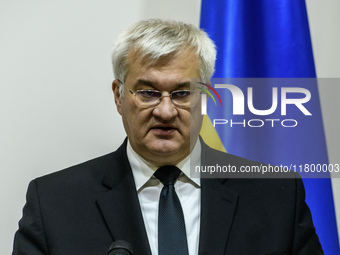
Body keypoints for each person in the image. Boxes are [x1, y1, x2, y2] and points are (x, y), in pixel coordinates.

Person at [12, 19, 324, 255]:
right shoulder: (54, 204)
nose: (165, 111)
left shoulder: (277, 195)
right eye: (147, 92)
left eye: (182, 93)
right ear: (119, 96)